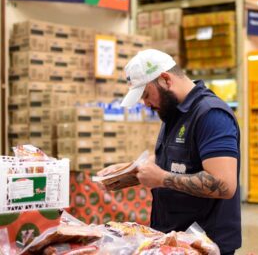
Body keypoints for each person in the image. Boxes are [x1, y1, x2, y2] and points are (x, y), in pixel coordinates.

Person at [98, 49, 241, 255]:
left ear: (165, 79)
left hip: (205, 246)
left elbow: (225, 184)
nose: (146, 104)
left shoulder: (211, 114)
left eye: (146, 94)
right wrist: (132, 170)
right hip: (174, 241)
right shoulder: (174, 113)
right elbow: (174, 158)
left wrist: (162, 178)